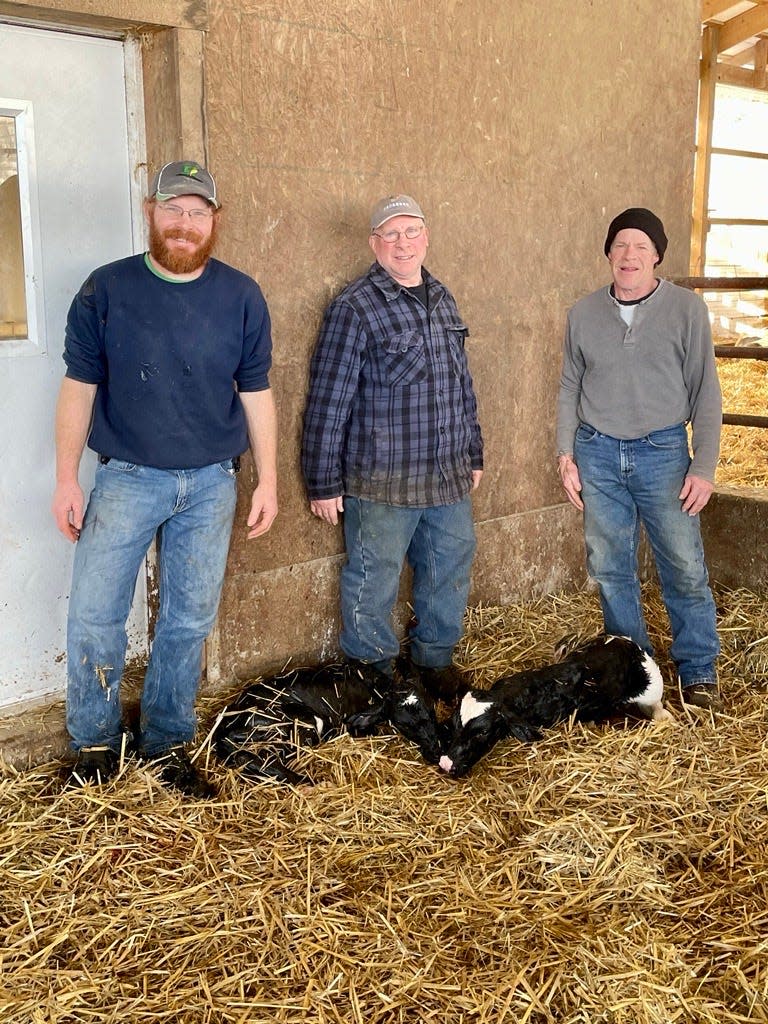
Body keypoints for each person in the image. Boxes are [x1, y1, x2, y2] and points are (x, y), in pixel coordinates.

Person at [52, 160, 278, 796]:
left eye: (197, 213)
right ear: (151, 210)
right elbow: (79, 387)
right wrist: (67, 479)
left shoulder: (241, 296)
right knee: (97, 614)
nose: (185, 224)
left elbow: (257, 391)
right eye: (173, 210)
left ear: (215, 220)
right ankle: (94, 746)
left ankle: (166, 743)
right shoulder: (106, 290)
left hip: (211, 482)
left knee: (188, 617)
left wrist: (268, 481)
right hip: (126, 478)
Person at [301, 194, 483, 703]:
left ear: (426, 237)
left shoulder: (443, 298)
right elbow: (328, 397)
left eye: (411, 232)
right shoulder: (354, 307)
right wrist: (322, 480)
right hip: (381, 480)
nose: (402, 243)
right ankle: (373, 674)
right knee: (373, 577)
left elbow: (462, 383)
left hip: (447, 476)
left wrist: (473, 452)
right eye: (391, 234)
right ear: (374, 244)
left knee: (449, 566)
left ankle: (434, 661)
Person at [556, 207, 722, 711]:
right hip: (597, 452)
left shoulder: (686, 310)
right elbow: (569, 385)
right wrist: (566, 453)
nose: (630, 255)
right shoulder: (582, 314)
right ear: (609, 253)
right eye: (621, 245)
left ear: (657, 257)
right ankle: (635, 672)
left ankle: (697, 671)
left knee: (683, 564)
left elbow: (706, 390)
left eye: (641, 247)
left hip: (664, 453)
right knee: (609, 565)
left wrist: (704, 465)